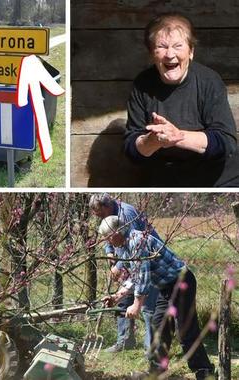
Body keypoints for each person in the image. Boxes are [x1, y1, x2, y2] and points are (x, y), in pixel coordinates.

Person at [124, 12, 239, 187]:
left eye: (178, 46)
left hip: (216, 178)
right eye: (161, 46)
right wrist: (152, 141)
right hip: (167, 178)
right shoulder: (142, 85)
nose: (170, 54)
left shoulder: (209, 81)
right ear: (151, 53)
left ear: (191, 51)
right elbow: (132, 150)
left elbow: (226, 142)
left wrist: (178, 137)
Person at [98, 216, 214, 379]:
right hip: (166, 287)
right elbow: (133, 276)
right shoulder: (124, 246)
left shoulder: (137, 241)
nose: (107, 241)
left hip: (181, 283)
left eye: (107, 237)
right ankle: (157, 370)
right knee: (159, 326)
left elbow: (143, 275)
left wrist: (137, 305)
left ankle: (205, 371)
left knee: (185, 330)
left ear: (117, 232)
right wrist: (116, 296)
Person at [89, 194, 159, 353]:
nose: (99, 217)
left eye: (100, 214)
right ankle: (125, 341)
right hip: (130, 262)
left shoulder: (126, 214)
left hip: (148, 264)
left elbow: (134, 248)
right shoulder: (109, 215)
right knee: (122, 300)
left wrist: (118, 266)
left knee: (147, 307)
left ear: (106, 207)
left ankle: (152, 352)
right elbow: (110, 237)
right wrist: (109, 253)